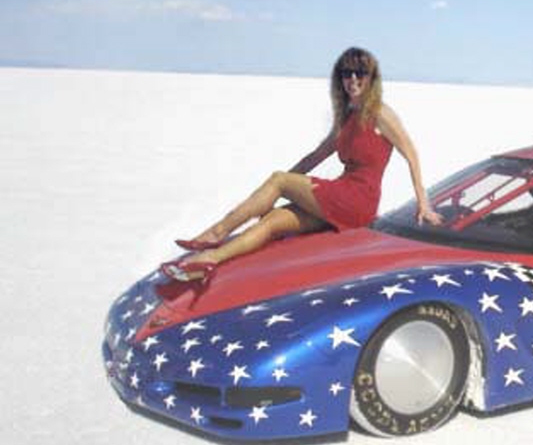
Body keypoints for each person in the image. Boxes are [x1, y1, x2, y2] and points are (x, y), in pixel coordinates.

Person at [162, 47, 441, 285]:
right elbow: (316, 156)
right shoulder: (347, 116)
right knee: (272, 222)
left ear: (372, 79)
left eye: (360, 73)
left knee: (278, 179)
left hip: (358, 200)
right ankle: (210, 260)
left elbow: (411, 153)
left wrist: (423, 203)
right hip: (341, 196)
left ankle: (216, 233)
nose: (353, 79)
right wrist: (272, 194)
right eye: (346, 73)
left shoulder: (380, 113)